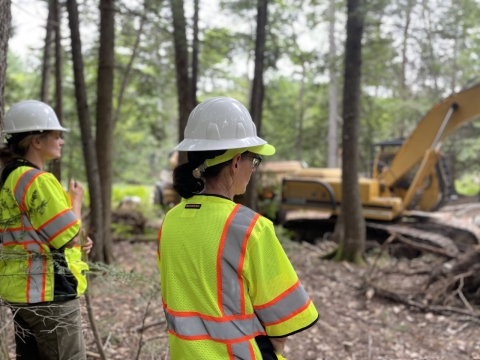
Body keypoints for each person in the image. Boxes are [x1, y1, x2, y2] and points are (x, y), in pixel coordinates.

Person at [157, 97, 319, 359]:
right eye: (253, 161)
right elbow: (281, 325)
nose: (253, 169)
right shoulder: (251, 229)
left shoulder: (170, 222)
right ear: (235, 163)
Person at [0, 100, 92, 360]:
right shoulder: (38, 180)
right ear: (36, 142)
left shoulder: (8, 178)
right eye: (56, 136)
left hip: (20, 293)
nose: (61, 141)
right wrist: (76, 201)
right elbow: (71, 237)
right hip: (50, 294)